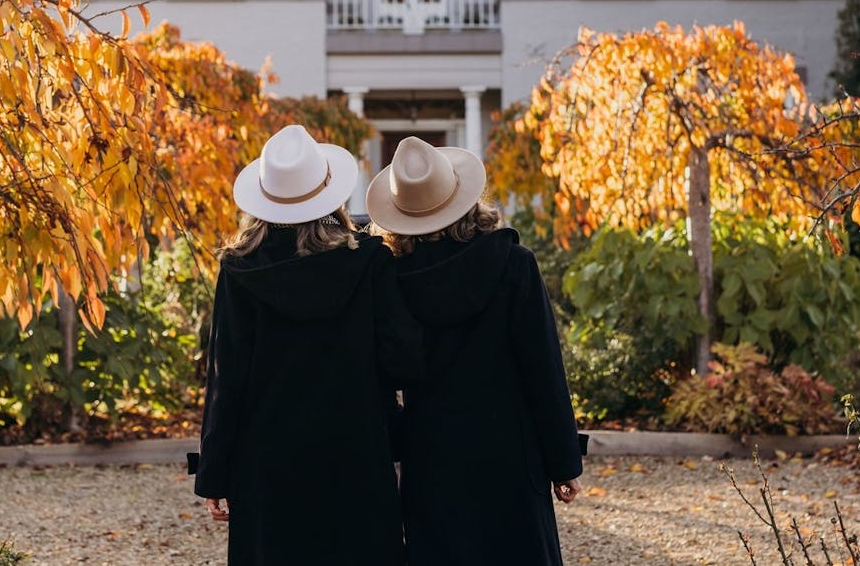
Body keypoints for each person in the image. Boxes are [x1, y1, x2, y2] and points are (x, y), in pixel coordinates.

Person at [193, 124, 419, 566]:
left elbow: (227, 377)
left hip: (267, 458)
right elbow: (402, 360)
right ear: (329, 192)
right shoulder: (370, 260)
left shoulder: (240, 269)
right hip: (355, 450)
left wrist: (214, 473)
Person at [367, 137, 584, 566]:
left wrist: (391, 448)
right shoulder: (513, 264)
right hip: (509, 449)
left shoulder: (391, 279)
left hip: (431, 452)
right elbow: (542, 368)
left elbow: (385, 373)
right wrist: (564, 461)